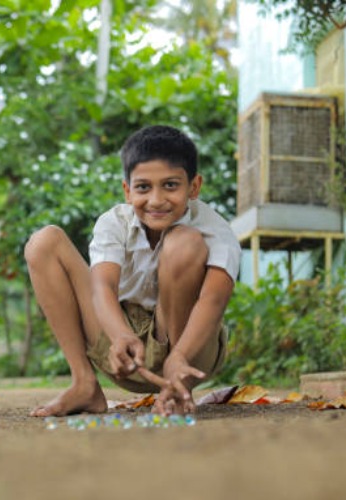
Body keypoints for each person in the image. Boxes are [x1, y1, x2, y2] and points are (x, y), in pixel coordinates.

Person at [24, 125, 241, 417]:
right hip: (123, 345)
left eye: (170, 185)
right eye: (143, 187)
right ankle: (84, 384)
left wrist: (179, 356)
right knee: (44, 242)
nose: (156, 200)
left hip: (190, 350)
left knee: (183, 242)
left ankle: (179, 388)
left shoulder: (215, 230)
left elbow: (213, 301)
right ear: (127, 190)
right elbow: (102, 288)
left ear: (194, 187)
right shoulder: (114, 223)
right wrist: (120, 335)